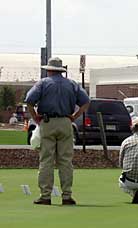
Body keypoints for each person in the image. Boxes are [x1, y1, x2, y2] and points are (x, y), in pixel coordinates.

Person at [25, 57, 90, 205]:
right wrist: (74, 116)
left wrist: (35, 117)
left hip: (47, 122)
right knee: (65, 160)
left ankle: (45, 195)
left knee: (46, 160)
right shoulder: (72, 84)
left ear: (49, 70)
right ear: (61, 70)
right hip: (66, 122)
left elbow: (29, 100)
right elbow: (86, 102)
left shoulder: (43, 83)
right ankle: (67, 195)